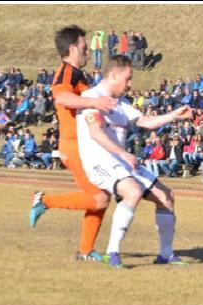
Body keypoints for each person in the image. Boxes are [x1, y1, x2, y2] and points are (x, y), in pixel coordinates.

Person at [77, 55, 193, 267]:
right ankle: (112, 253)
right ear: (113, 75)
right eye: (127, 79)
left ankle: (165, 254)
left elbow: (145, 122)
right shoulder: (91, 97)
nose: (130, 85)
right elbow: (95, 133)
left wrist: (174, 115)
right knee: (133, 192)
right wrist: (123, 154)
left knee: (166, 196)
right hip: (99, 161)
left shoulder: (121, 103)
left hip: (120, 162)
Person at [29, 25, 117, 261]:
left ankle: (86, 251)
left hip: (85, 145)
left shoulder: (79, 74)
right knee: (100, 197)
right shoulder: (66, 71)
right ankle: (45, 200)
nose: (88, 50)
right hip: (74, 145)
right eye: (84, 46)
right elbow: (62, 97)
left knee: (102, 195)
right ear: (72, 48)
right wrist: (95, 104)